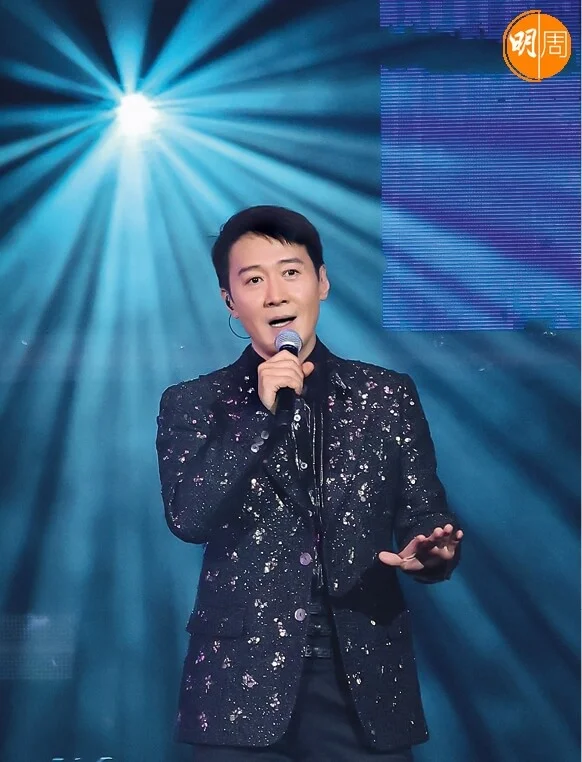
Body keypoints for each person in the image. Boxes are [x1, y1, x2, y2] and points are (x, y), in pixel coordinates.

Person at [156, 206, 463, 761]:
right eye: (253, 280)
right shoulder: (195, 403)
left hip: (363, 678)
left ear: (322, 282)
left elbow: (424, 513)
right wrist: (257, 414)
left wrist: (433, 554)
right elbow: (189, 517)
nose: (275, 294)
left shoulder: (385, 397)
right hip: (238, 684)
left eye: (291, 272)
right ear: (229, 300)